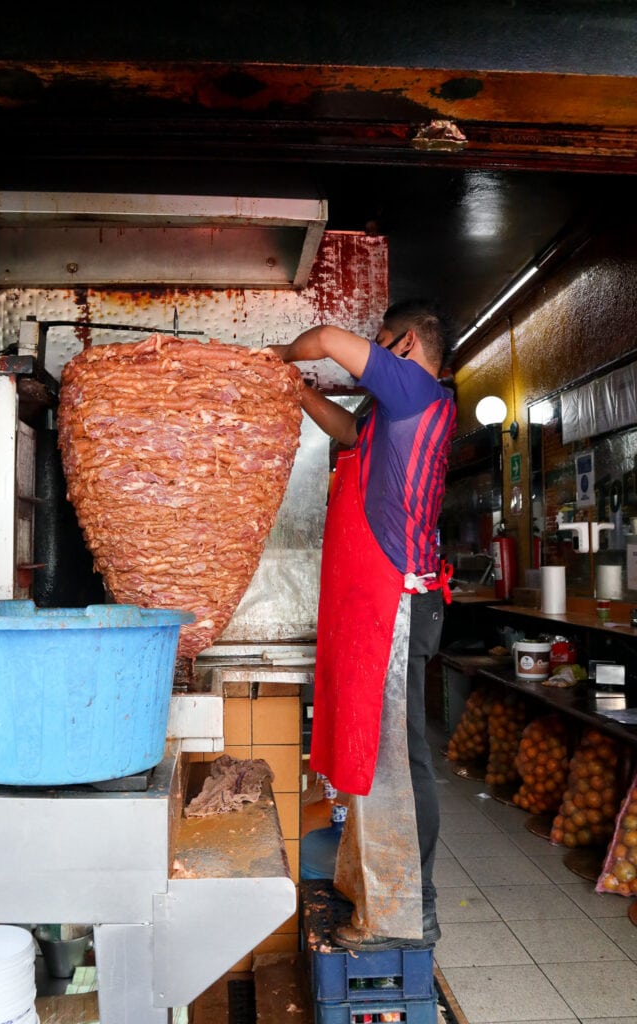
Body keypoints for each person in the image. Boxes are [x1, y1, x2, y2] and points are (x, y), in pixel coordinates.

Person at [268, 299, 456, 951]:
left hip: (395, 609)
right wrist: (292, 392)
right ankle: (380, 888)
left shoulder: (416, 389)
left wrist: (279, 356)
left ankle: (406, 914)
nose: (371, 358)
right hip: (380, 607)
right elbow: (342, 433)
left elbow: (323, 337)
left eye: (379, 345)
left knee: (396, 762)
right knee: (378, 754)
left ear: (404, 345)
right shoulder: (388, 417)